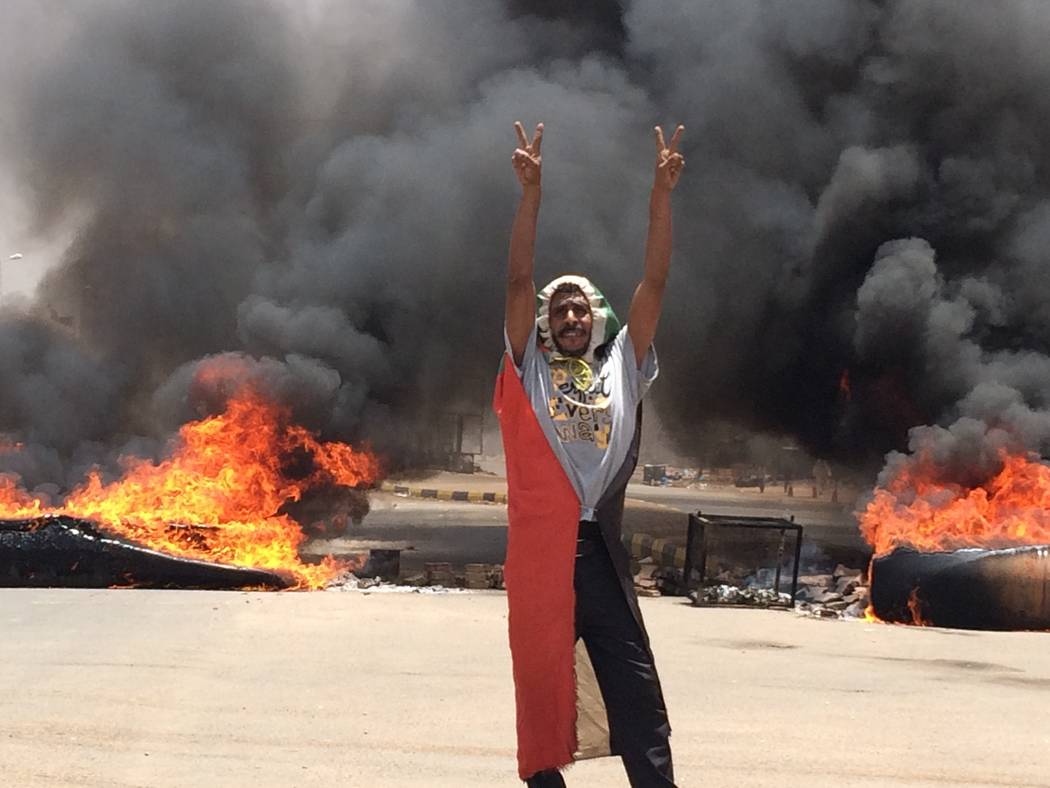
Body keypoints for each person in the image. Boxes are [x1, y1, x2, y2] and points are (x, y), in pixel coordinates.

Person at [493, 119, 684, 787]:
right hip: (539, 557)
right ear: (548, 326)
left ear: (597, 318)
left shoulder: (622, 367)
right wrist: (531, 195)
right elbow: (520, 284)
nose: (571, 317)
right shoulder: (530, 371)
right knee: (541, 698)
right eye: (561, 311)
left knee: (638, 697)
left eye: (582, 310)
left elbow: (654, 285)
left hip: (598, 552)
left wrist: (660, 196)